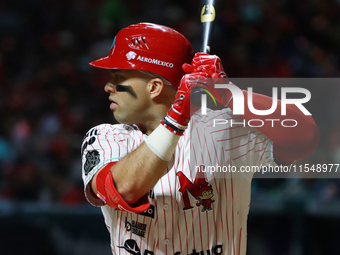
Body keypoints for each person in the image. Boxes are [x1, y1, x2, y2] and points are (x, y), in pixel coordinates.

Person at [81, 23, 319, 255]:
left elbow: (305, 138)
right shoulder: (105, 137)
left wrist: (229, 93)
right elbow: (122, 189)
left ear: (154, 87)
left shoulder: (223, 129)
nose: (108, 87)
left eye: (119, 78)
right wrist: (176, 117)